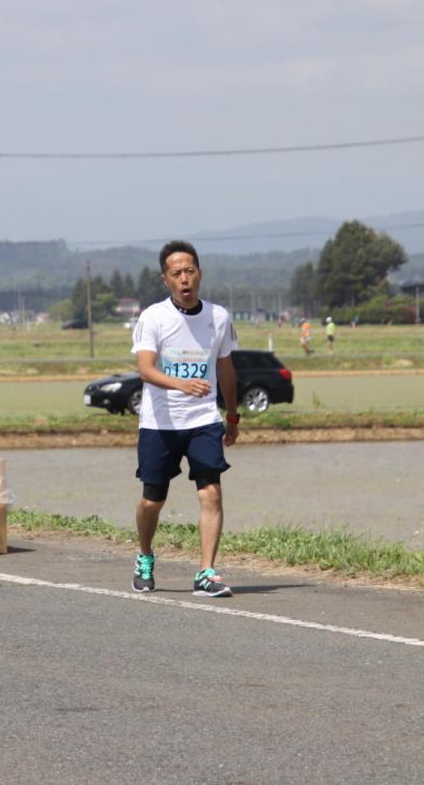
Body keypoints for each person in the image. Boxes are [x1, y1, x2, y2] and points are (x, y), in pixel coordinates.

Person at [129, 240, 239, 597]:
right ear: (166, 280)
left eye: (190, 271)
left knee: (211, 494)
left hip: (203, 419)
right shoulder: (154, 317)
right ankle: (144, 556)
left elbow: (225, 367)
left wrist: (233, 414)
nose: (184, 279)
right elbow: (145, 369)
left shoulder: (218, 317)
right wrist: (180, 384)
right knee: (152, 500)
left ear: (199, 274)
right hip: (160, 423)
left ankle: (206, 572)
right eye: (176, 273)